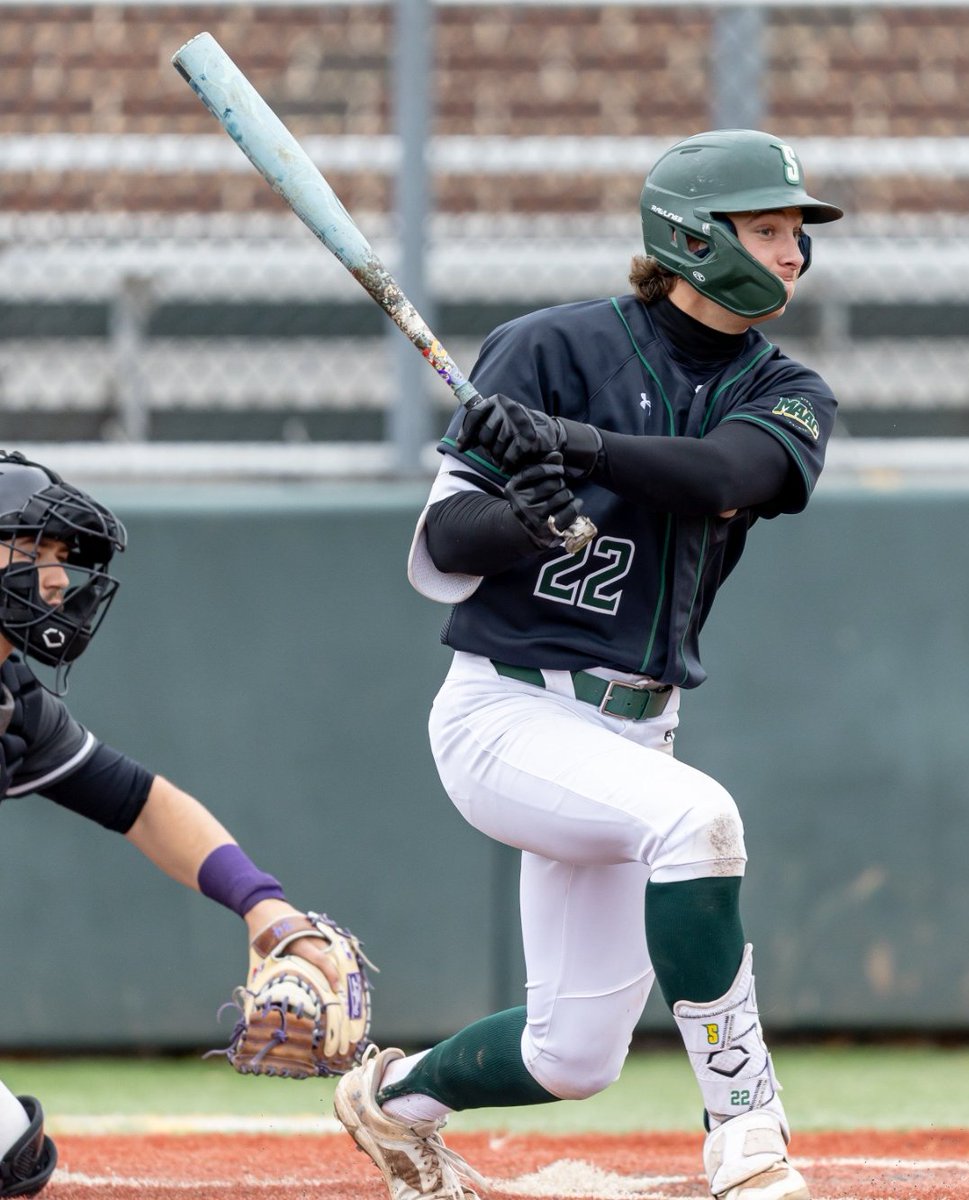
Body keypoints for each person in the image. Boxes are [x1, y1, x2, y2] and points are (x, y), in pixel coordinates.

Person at [333, 128, 843, 1200]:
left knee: (573, 1059)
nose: (792, 254)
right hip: (505, 717)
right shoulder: (548, 349)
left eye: (796, 232)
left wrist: (579, 449)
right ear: (692, 238)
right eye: (768, 229)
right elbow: (442, 550)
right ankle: (748, 1134)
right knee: (698, 823)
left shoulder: (790, 389)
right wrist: (519, 519)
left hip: (636, 727)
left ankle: (394, 1102)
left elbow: (726, 474)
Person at [0, 450, 342, 1198]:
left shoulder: (14, 703)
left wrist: (264, 905)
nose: (55, 578)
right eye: (31, 550)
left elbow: (142, 805)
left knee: (9, 1157)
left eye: (62, 557)